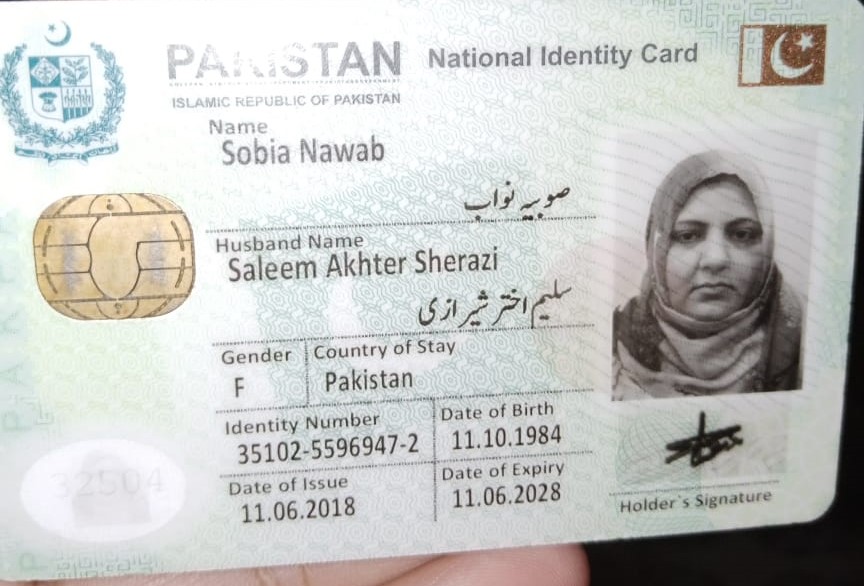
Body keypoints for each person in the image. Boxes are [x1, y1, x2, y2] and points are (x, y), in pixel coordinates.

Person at [612, 150, 802, 400]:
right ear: (657, 250)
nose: (716, 259)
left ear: (766, 247)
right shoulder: (612, 346)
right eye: (688, 236)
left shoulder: (808, 346)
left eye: (742, 234)